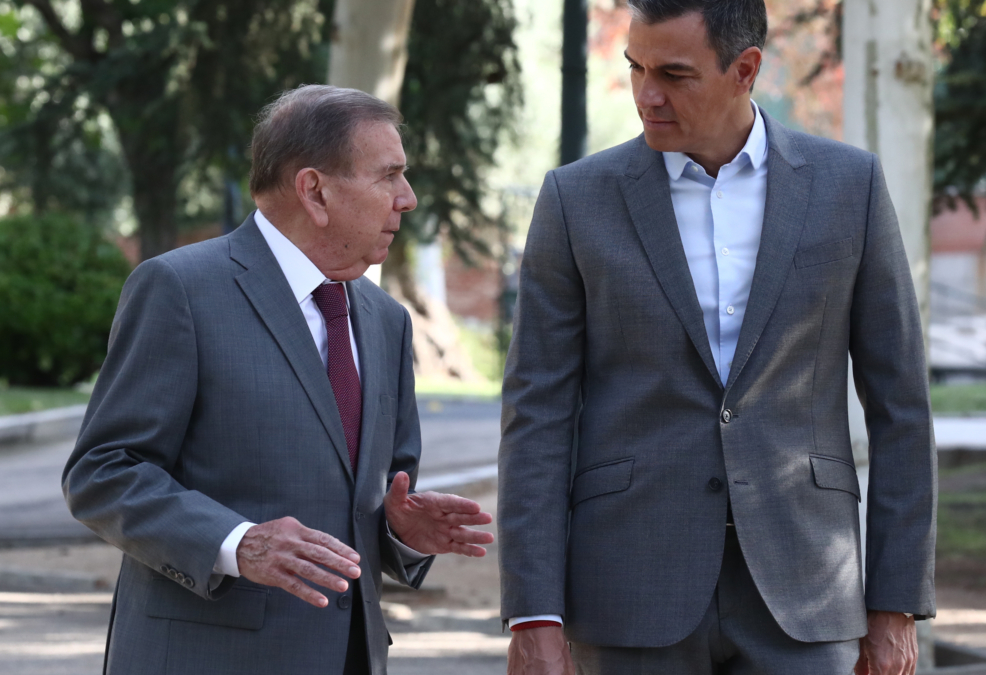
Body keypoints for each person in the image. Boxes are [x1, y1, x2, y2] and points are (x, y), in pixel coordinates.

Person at [497, 1, 936, 673]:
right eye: (636, 67)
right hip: (629, 591)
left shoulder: (851, 188)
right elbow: (537, 413)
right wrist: (533, 611)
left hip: (806, 587)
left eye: (674, 74)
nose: (646, 94)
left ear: (746, 69)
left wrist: (896, 601)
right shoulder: (574, 200)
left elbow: (901, 408)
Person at [63, 84, 495, 675]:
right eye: (389, 176)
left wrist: (401, 531)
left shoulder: (385, 319)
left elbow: (371, 497)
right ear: (314, 190)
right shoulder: (180, 289)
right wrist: (237, 543)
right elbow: (102, 472)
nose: (408, 199)